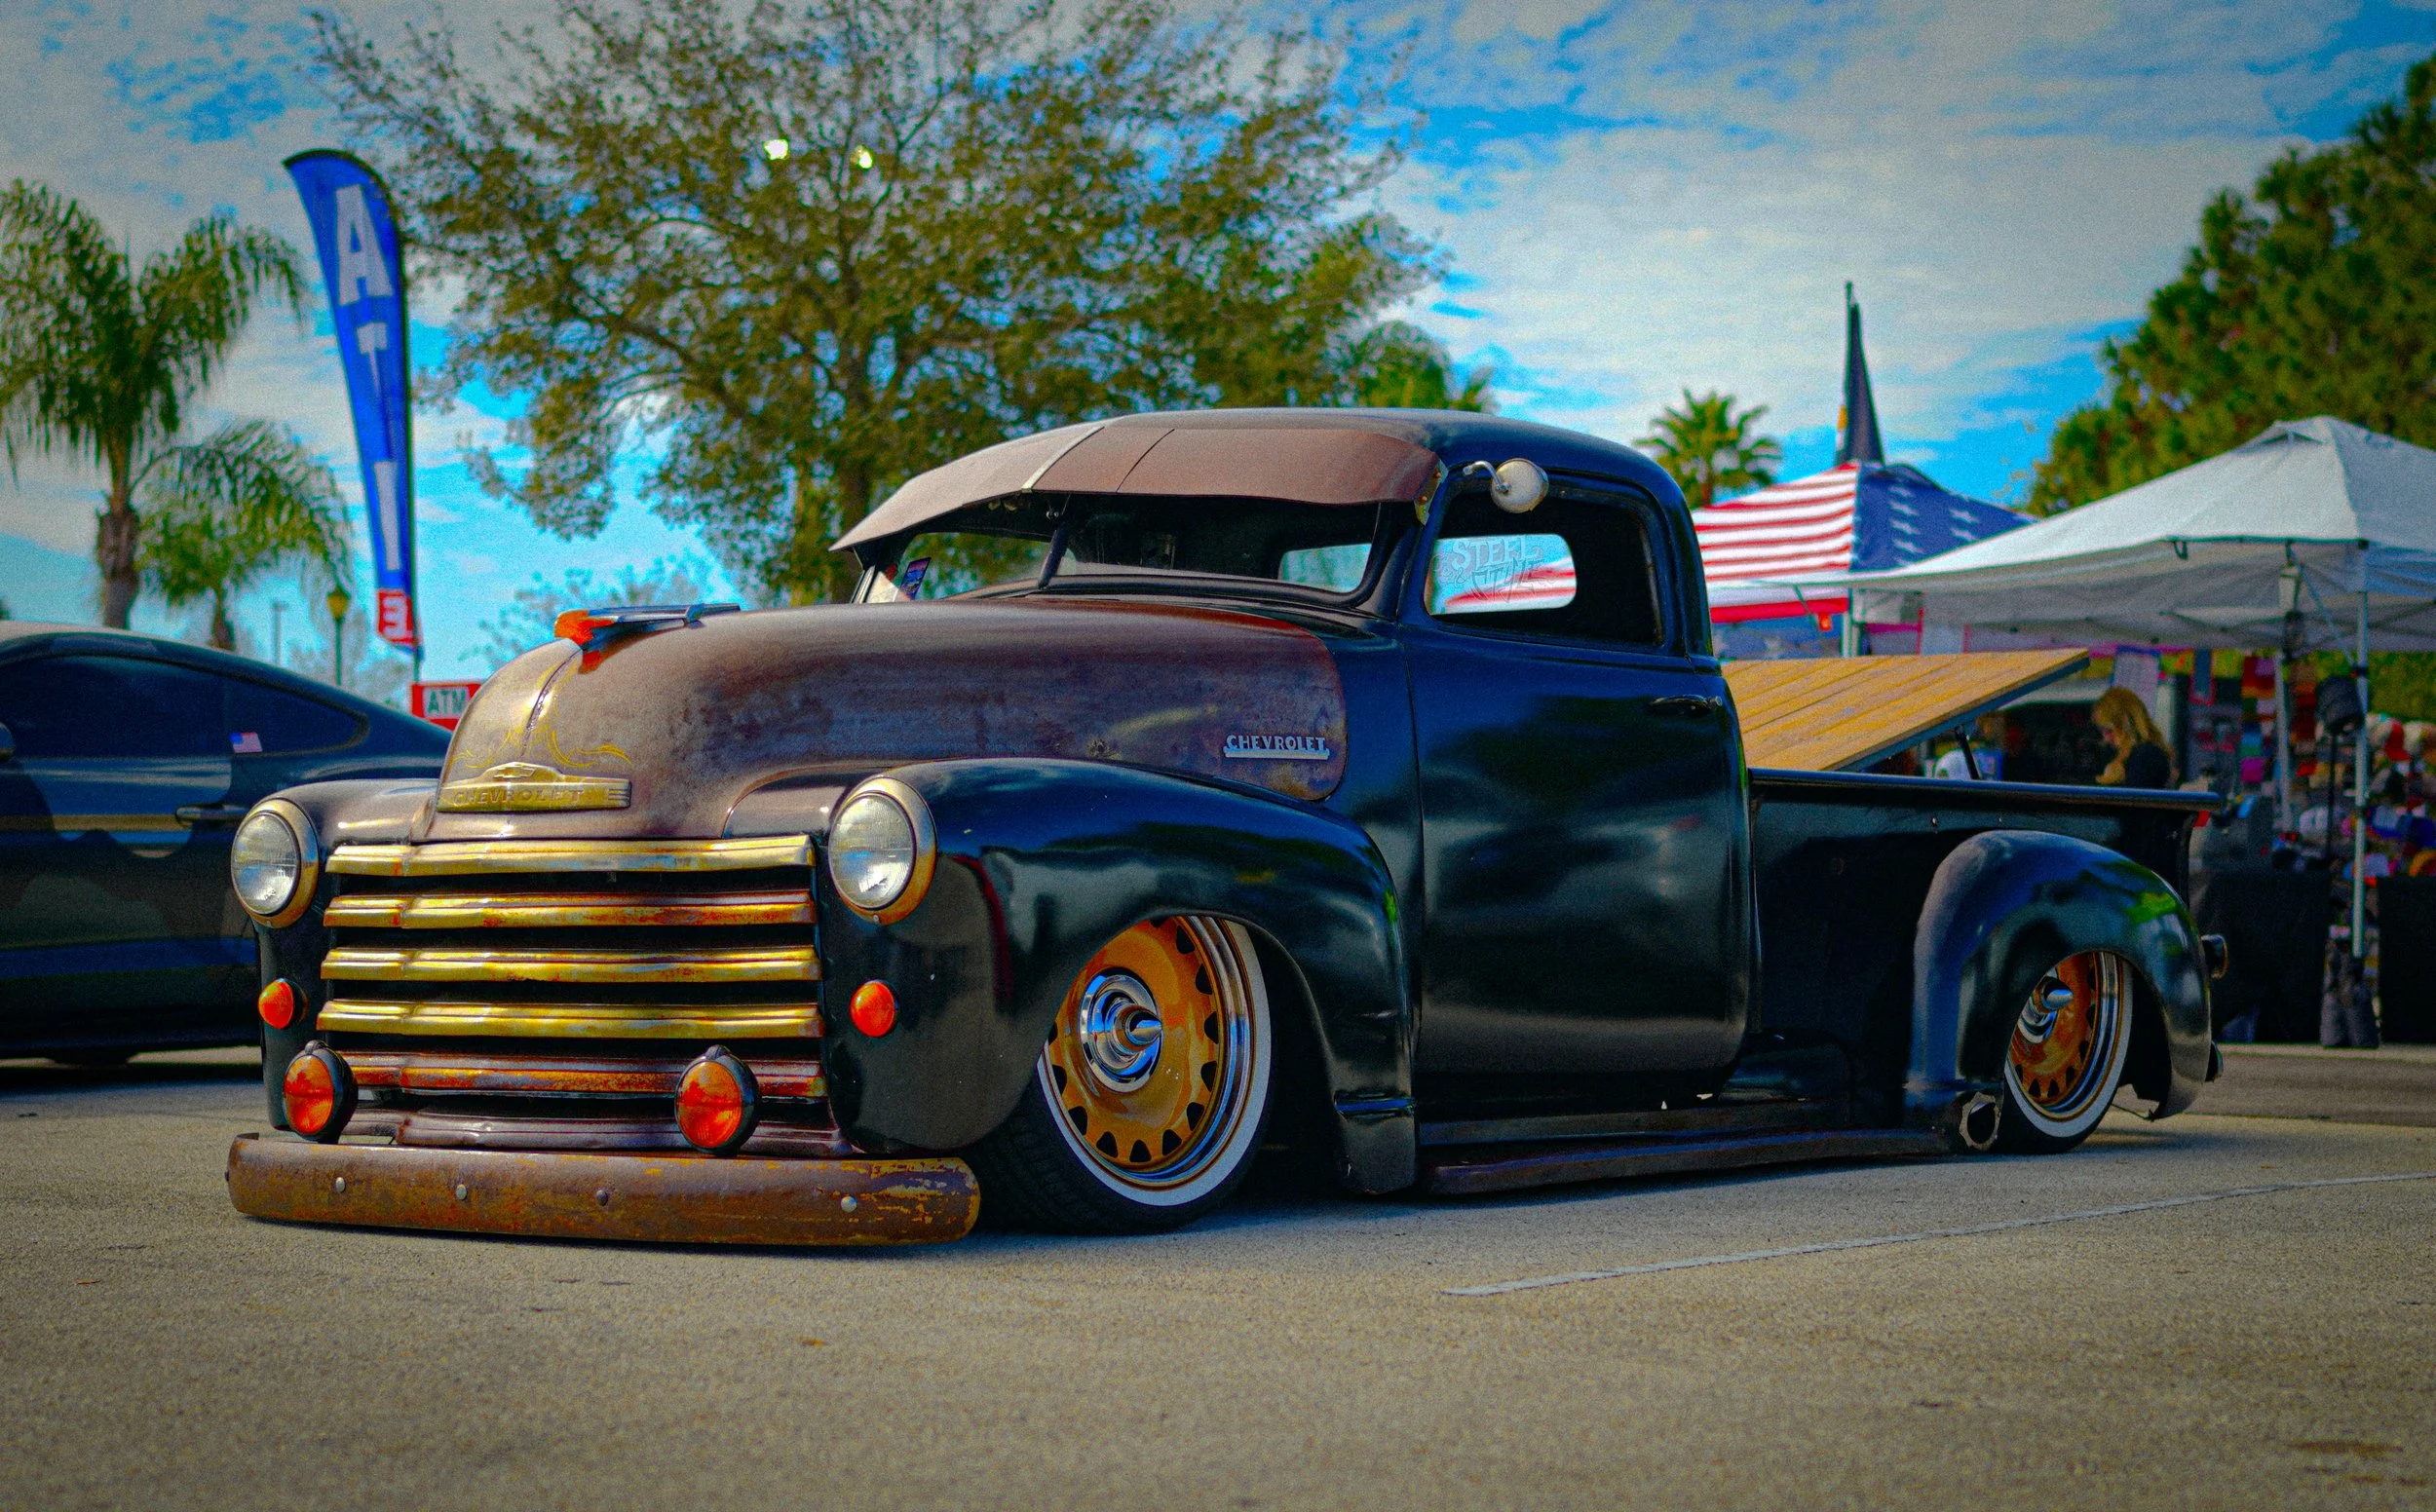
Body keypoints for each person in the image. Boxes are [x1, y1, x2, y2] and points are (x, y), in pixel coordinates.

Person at [2093, 686, 2175, 788]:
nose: (2106, 738)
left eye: (2109, 730)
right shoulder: (2141, 753)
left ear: (2126, 725)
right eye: (2102, 731)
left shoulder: (2146, 755)